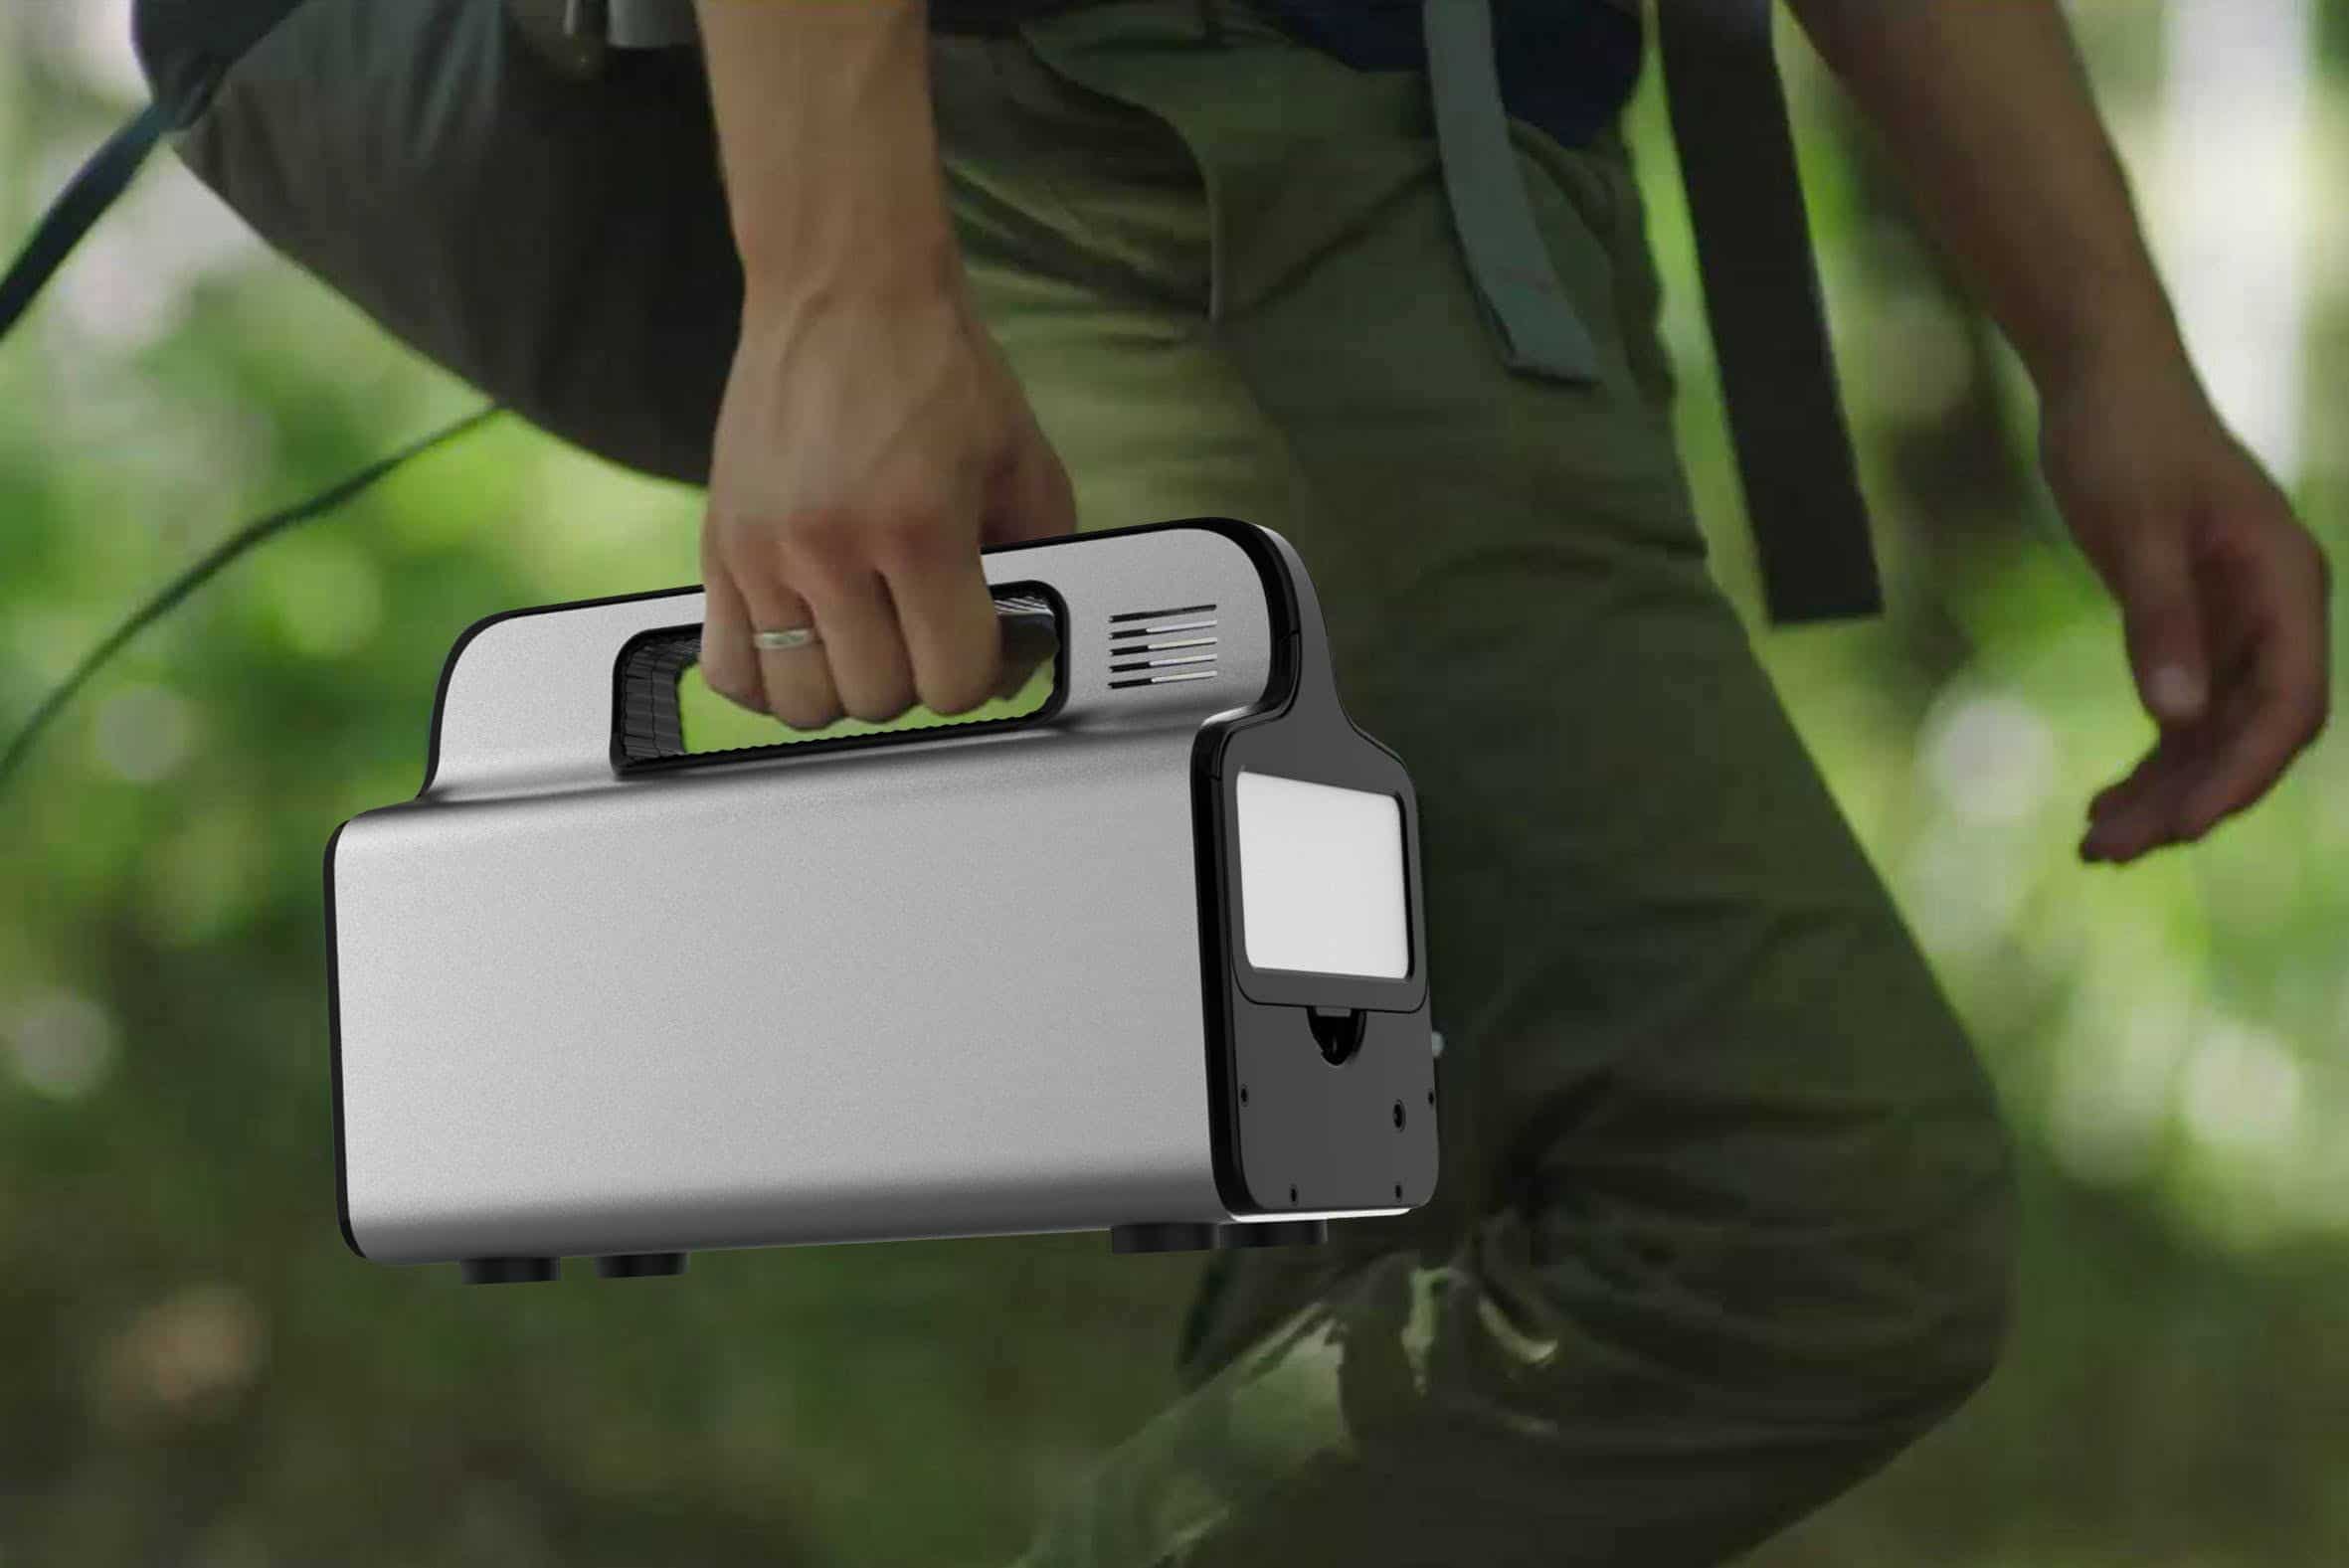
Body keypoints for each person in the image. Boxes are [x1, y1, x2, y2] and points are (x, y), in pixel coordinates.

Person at [675, 2, 2329, 1564]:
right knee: (1802, 1220)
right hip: (1176, 144)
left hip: (1494, 174)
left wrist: (2110, 347)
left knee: (1402, 1200)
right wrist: (840, 280)